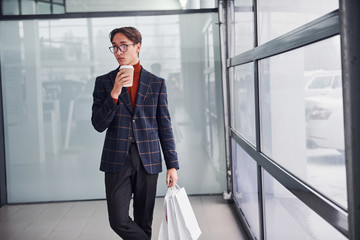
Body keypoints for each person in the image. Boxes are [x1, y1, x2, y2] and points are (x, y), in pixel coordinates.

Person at [91, 26, 179, 240]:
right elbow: (98, 124)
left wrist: (172, 165)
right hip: (116, 159)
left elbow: (164, 125)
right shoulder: (104, 82)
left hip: (147, 158)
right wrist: (114, 93)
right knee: (118, 220)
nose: (118, 51)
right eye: (114, 47)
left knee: (143, 221)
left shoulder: (157, 83)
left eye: (123, 46)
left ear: (138, 46)